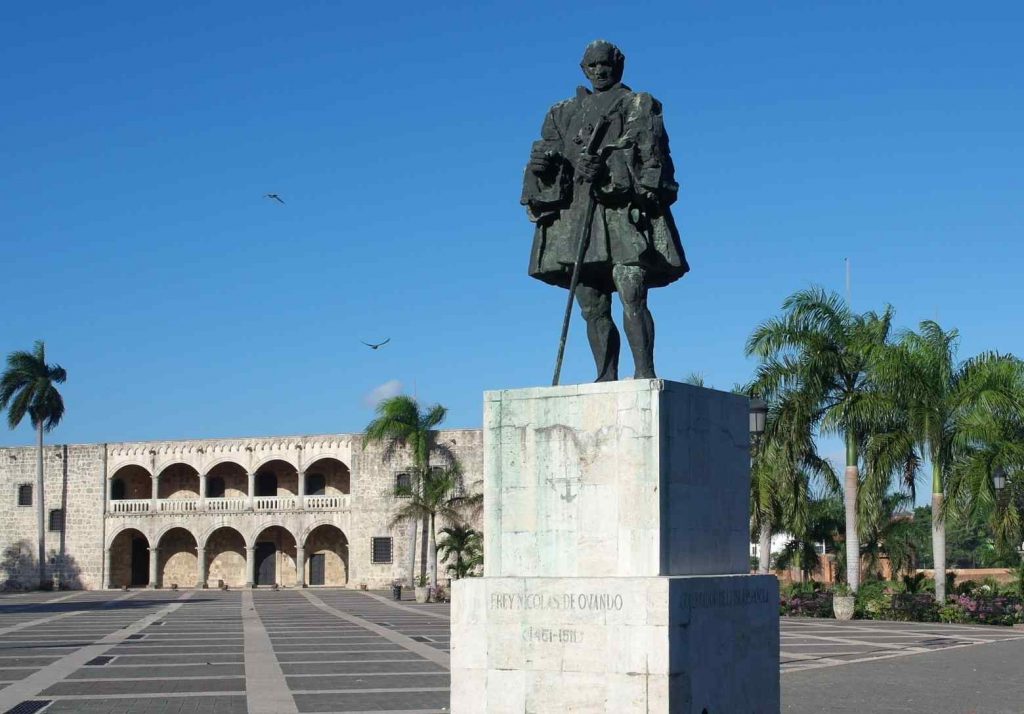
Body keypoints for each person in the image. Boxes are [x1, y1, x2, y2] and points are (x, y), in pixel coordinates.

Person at [522, 40, 688, 381]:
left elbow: (653, 162)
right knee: (591, 305)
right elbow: (547, 160)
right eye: (592, 66)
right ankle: (605, 375)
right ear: (583, 69)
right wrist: (542, 167)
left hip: (622, 216)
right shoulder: (561, 112)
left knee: (632, 293)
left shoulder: (638, 103)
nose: (600, 71)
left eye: (605, 64)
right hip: (579, 219)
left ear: (620, 64)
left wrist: (609, 172)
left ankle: (644, 372)